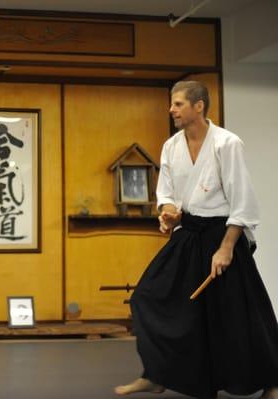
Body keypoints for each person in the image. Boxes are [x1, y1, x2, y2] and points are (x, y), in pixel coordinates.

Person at [115, 81, 278, 399]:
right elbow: (166, 193)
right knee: (147, 296)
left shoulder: (227, 143)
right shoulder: (171, 146)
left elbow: (241, 199)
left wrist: (227, 248)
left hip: (223, 233)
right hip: (189, 233)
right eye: (172, 104)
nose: (171, 110)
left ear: (199, 106)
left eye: (177, 104)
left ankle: (272, 381)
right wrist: (169, 213)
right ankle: (157, 374)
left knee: (240, 313)